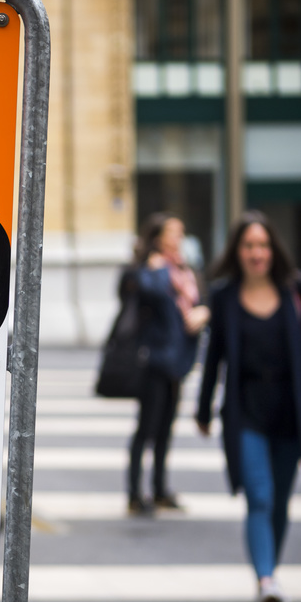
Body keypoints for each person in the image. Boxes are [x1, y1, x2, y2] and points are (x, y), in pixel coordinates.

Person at [195, 211, 301, 602]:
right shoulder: (224, 296)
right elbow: (215, 359)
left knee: (279, 501)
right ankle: (266, 582)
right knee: (259, 495)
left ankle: (269, 574)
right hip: (247, 413)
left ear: (273, 250)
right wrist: (204, 409)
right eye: (248, 246)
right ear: (237, 252)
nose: (257, 253)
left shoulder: (298, 289)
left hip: (292, 413)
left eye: (263, 245)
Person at [126, 213, 211, 516]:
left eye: (181, 232)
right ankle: (135, 494)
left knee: (165, 429)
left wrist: (203, 313)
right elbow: (147, 292)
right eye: (174, 232)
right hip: (154, 358)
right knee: (146, 428)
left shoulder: (184, 269)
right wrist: (157, 268)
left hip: (179, 359)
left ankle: (160, 489)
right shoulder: (151, 267)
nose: (179, 238)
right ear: (159, 236)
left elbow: (202, 299)